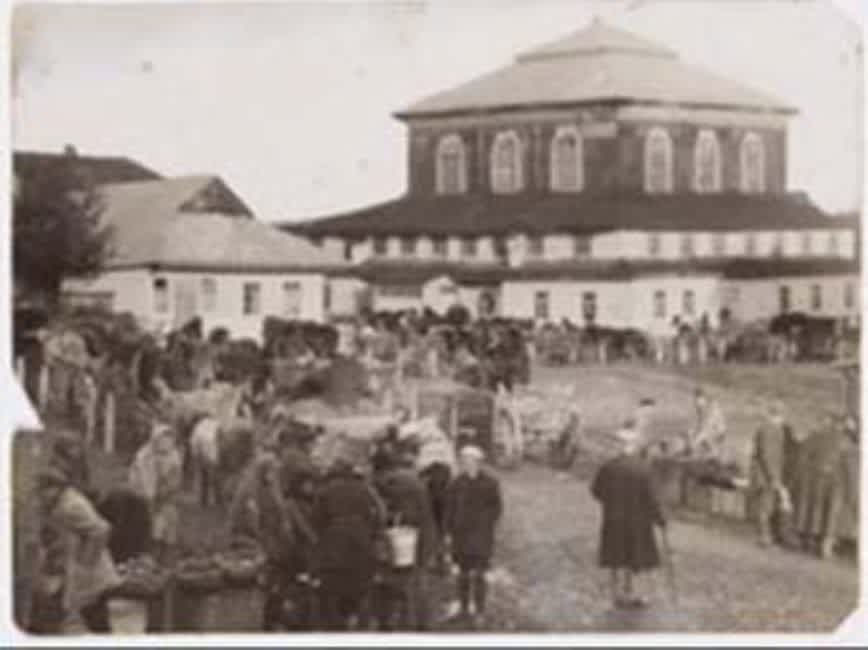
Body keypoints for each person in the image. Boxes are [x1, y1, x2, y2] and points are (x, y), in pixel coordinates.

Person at [33, 467, 121, 634]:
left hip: (91, 571)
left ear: (55, 488)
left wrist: (85, 563)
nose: (40, 496)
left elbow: (101, 529)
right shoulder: (60, 503)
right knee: (89, 614)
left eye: (43, 490)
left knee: (95, 616)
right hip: (78, 568)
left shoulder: (71, 505)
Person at [590, 421, 665, 609]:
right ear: (635, 445)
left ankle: (616, 594)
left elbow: (596, 491)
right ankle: (634, 593)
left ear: (619, 445)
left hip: (614, 518)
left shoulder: (608, 467)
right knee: (635, 556)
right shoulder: (643, 469)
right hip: (638, 521)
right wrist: (660, 519)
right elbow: (651, 499)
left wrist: (610, 501)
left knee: (616, 557)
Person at [312, 448, 385, 631]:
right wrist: (373, 533)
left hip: (334, 544)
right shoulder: (365, 489)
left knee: (333, 588)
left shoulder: (325, 491)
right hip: (361, 541)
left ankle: (336, 627)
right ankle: (361, 625)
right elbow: (379, 515)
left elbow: (317, 520)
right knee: (361, 586)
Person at [373, 440, 438, 631]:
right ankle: (417, 623)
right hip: (422, 536)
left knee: (410, 582)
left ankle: (414, 625)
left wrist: (389, 517)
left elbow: (407, 514)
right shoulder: (409, 478)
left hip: (412, 540)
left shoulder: (396, 483)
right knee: (415, 580)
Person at [444, 445, 503, 626]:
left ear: (478, 462)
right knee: (462, 574)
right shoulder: (456, 483)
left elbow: (496, 508)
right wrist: (448, 531)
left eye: (469, 460)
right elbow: (449, 509)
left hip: (481, 537)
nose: (465, 464)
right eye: (462, 461)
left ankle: (479, 610)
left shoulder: (490, 483)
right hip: (461, 536)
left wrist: (486, 525)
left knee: (479, 575)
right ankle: (463, 608)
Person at [129, 422, 183, 564]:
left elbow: (175, 479)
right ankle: (149, 557)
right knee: (151, 528)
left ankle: (165, 558)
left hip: (166, 499)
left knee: (167, 527)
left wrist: (166, 491)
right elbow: (140, 478)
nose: (166, 442)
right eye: (163, 438)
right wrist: (149, 495)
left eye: (169, 438)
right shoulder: (144, 456)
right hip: (144, 497)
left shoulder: (174, 456)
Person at [748, 399, 789, 548]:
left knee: (765, 505)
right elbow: (768, 455)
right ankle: (764, 537)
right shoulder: (772, 430)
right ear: (778, 415)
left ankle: (765, 536)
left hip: (762, 473)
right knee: (765, 506)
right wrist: (774, 477)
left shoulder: (764, 428)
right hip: (766, 474)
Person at [689, 388, 727, 459]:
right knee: (691, 436)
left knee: (697, 441)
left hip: (717, 433)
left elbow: (707, 427)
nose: (695, 404)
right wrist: (692, 432)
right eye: (695, 402)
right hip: (708, 432)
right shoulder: (701, 409)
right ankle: (705, 452)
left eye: (697, 401)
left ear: (703, 398)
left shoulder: (711, 408)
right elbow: (699, 425)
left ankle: (713, 454)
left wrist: (695, 440)